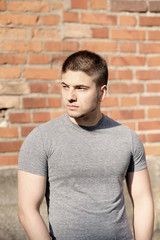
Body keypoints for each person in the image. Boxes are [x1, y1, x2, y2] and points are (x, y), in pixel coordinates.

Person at [18, 50, 154, 240]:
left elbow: (142, 201)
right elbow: (27, 211)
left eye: (81, 88)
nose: (70, 96)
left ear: (102, 92)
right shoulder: (41, 139)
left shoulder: (127, 138)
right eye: (65, 86)